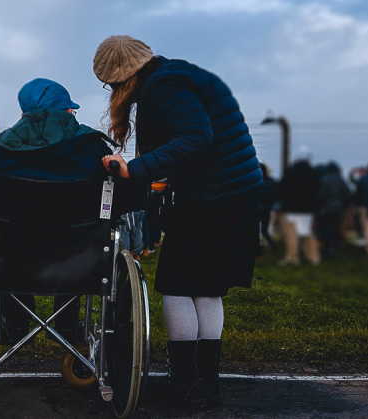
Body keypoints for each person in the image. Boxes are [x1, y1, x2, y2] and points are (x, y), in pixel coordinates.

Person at [94, 35, 262, 404]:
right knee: (205, 286)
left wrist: (134, 169)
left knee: (175, 284)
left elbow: (197, 137)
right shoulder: (177, 75)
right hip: (232, 191)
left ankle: (185, 381)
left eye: (112, 84)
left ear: (124, 77)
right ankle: (206, 384)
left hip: (212, 194)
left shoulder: (164, 86)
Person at [0, 78, 144, 345]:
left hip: (11, 262)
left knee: (8, 243)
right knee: (76, 241)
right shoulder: (93, 148)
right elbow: (125, 200)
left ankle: (16, 323)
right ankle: (67, 326)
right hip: (79, 262)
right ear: (68, 112)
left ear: (24, 113)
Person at [277, 146, 321, 266]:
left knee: (291, 234)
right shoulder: (314, 173)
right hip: (307, 209)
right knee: (308, 233)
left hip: (290, 208)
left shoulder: (290, 172)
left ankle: (292, 258)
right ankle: (313, 257)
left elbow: (282, 189)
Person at [317, 162, 350, 258]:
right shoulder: (341, 180)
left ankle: (327, 249)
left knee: (326, 229)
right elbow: (347, 195)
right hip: (339, 209)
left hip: (326, 209)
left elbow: (320, 195)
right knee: (336, 229)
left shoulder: (324, 179)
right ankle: (335, 249)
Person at [257, 163, 278, 257]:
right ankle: (275, 250)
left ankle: (259, 253)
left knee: (256, 232)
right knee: (265, 231)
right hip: (267, 210)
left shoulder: (254, 181)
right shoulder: (271, 182)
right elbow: (275, 195)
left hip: (256, 210)